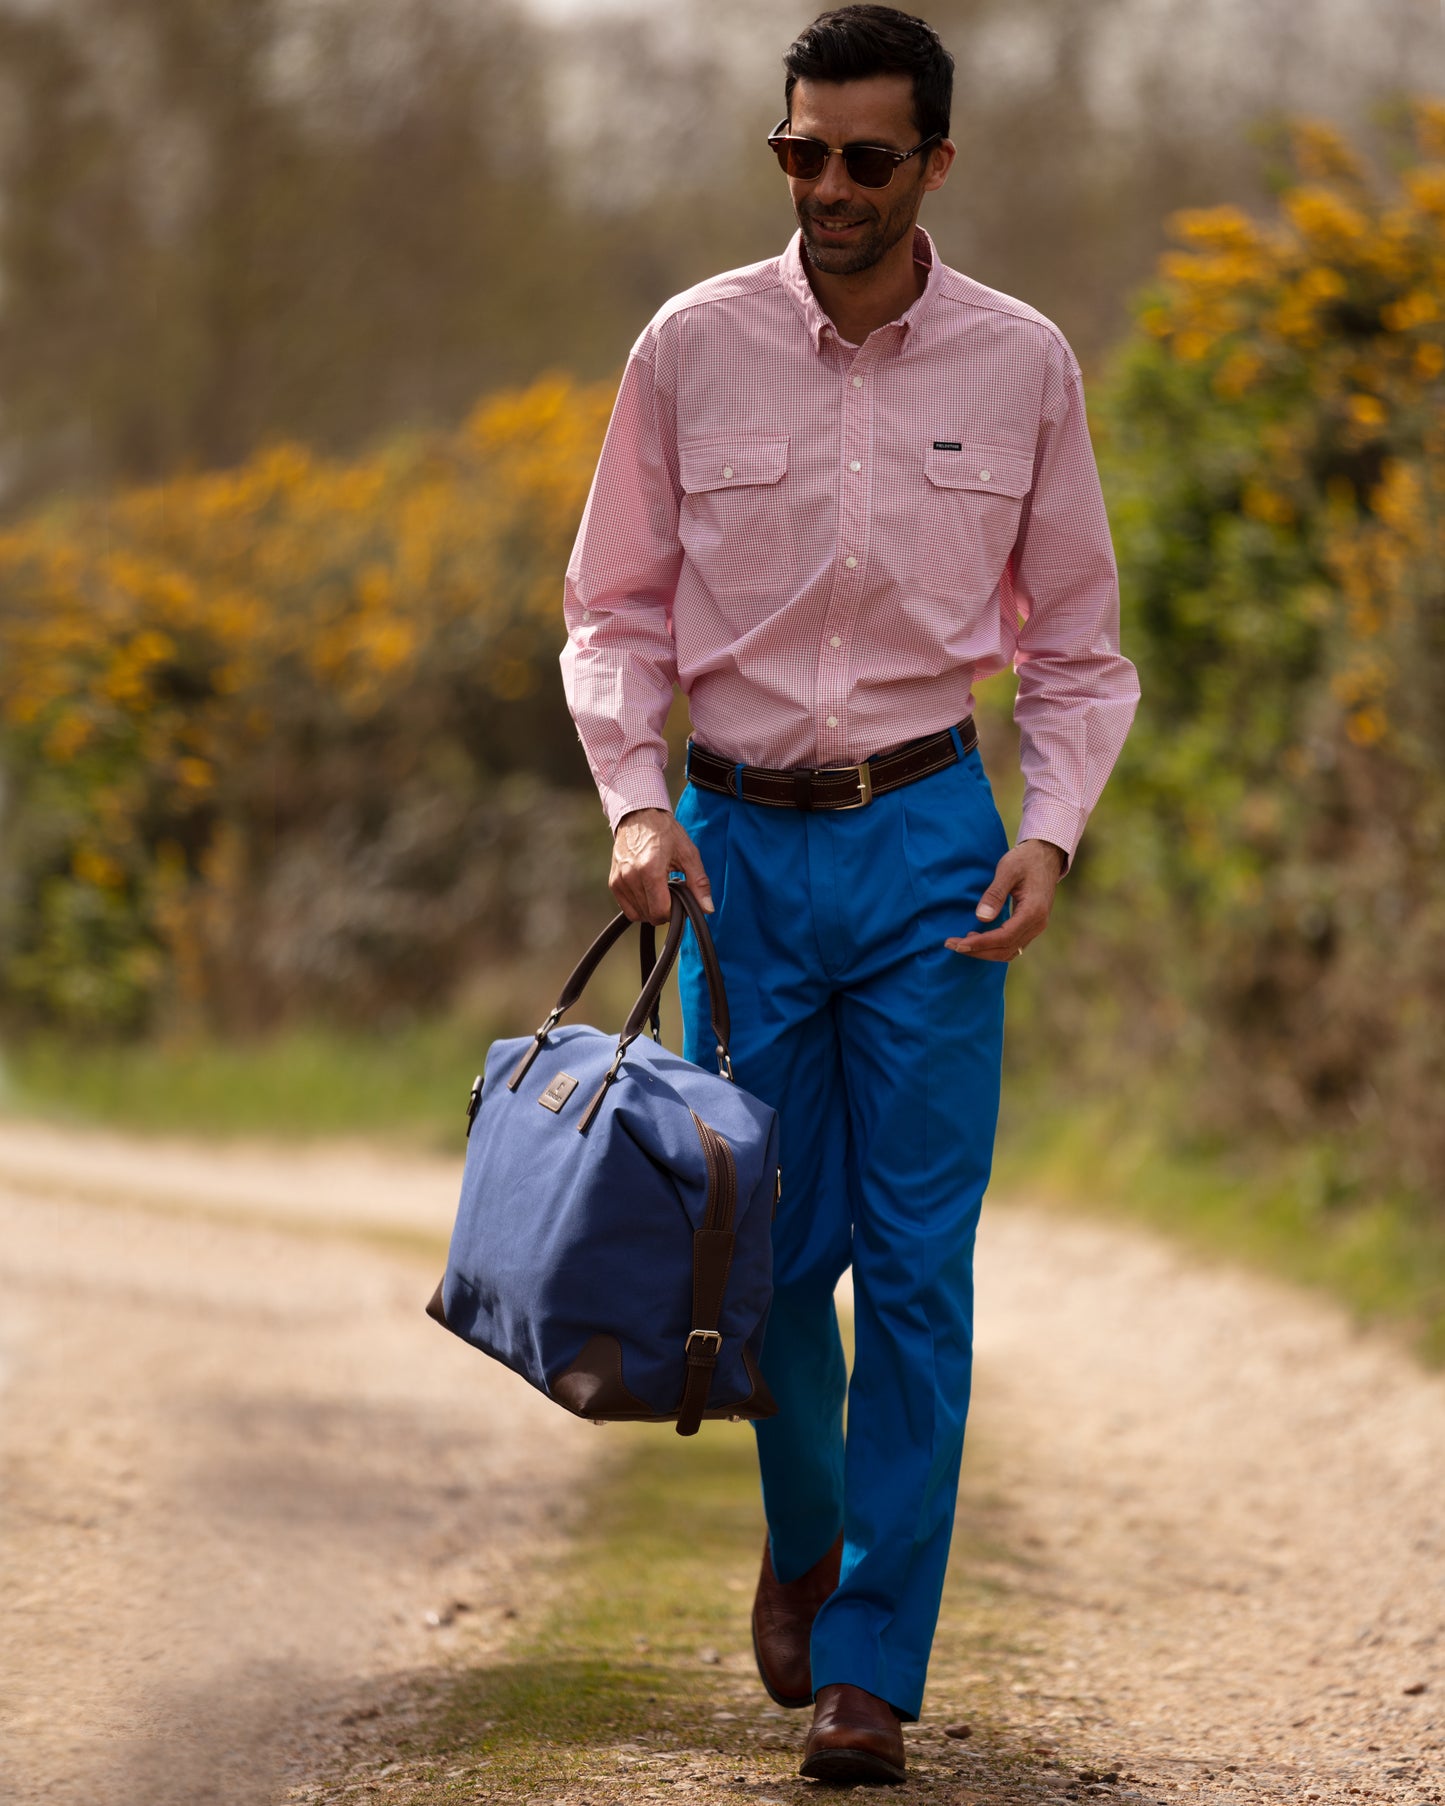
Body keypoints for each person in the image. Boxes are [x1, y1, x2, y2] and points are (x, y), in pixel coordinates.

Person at [561, 4, 1138, 1785]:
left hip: (927, 848)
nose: (825, 184)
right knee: (770, 1251)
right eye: (797, 150)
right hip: (731, 855)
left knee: (914, 1266)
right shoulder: (690, 347)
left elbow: (1079, 654)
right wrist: (636, 805)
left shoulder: (1022, 364)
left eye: (862, 157)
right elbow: (615, 611)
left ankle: (872, 1661)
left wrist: (1047, 832)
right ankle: (806, 1523)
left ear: (932, 167)